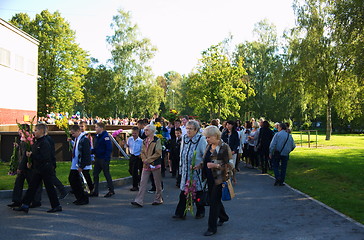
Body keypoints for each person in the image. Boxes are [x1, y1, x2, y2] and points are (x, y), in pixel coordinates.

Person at [13, 123, 62, 213]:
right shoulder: (36, 141)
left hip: (45, 169)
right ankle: (25, 205)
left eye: (36, 130)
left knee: (49, 187)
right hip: (38, 168)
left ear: (42, 131)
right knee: (32, 187)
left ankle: (56, 205)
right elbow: (35, 154)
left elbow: (45, 157)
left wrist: (32, 155)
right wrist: (30, 160)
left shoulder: (44, 142)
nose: (34, 132)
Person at [200, 125, 232, 236]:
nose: (207, 139)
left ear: (215, 136)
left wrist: (216, 165)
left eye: (208, 137)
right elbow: (206, 160)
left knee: (213, 202)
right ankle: (223, 216)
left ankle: (211, 228)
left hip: (219, 179)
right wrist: (200, 166)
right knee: (215, 200)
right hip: (209, 178)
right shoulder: (209, 146)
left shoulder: (224, 147)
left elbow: (230, 165)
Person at [173, 120, 207, 220]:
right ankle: (180, 212)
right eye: (187, 128)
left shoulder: (201, 139)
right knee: (184, 191)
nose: (188, 131)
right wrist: (180, 167)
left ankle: (200, 211)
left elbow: (205, 155)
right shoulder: (184, 138)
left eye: (190, 129)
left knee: (197, 192)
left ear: (196, 130)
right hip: (185, 170)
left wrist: (200, 165)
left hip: (196, 171)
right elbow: (182, 152)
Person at [7, 124, 42, 208]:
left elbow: (25, 155)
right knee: (19, 182)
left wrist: (20, 167)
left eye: (20, 129)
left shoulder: (28, 140)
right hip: (23, 164)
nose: (18, 131)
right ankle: (17, 200)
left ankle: (35, 200)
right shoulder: (24, 139)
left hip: (27, 165)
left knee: (32, 182)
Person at [131, 124, 163, 207]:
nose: (145, 132)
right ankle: (139, 200)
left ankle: (158, 199)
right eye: (145, 130)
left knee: (157, 183)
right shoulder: (144, 140)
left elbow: (158, 153)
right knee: (142, 182)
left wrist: (148, 160)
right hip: (146, 165)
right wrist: (144, 160)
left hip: (155, 164)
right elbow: (142, 152)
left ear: (152, 131)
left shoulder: (157, 140)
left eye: (147, 130)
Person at [68, 125, 91, 205]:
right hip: (76, 163)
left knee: (78, 181)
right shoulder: (78, 139)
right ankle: (80, 197)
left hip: (81, 164)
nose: (72, 135)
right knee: (73, 180)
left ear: (78, 131)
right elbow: (77, 149)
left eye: (73, 133)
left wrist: (82, 166)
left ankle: (83, 198)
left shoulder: (84, 140)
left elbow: (86, 154)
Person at [90, 122, 114, 197]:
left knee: (106, 174)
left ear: (101, 128)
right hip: (97, 158)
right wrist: (91, 151)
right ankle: (95, 191)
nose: (95, 129)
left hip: (103, 158)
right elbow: (97, 147)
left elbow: (109, 148)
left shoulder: (105, 136)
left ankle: (111, 190)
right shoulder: (97, 136)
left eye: (97, 127)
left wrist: (106, 158)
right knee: (95, 174)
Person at [127, 126, 143, 191]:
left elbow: (142, 149)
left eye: (135, 133)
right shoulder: (130, 139)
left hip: (138, 156)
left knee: (135, 171)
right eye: (133, 133)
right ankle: (138, 179)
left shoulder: (140, 141)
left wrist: (141, 154)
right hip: (132, 155)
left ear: (138, 133)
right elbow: (127, 146)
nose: (134, 135)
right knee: (130, 170)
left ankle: (135, 186)